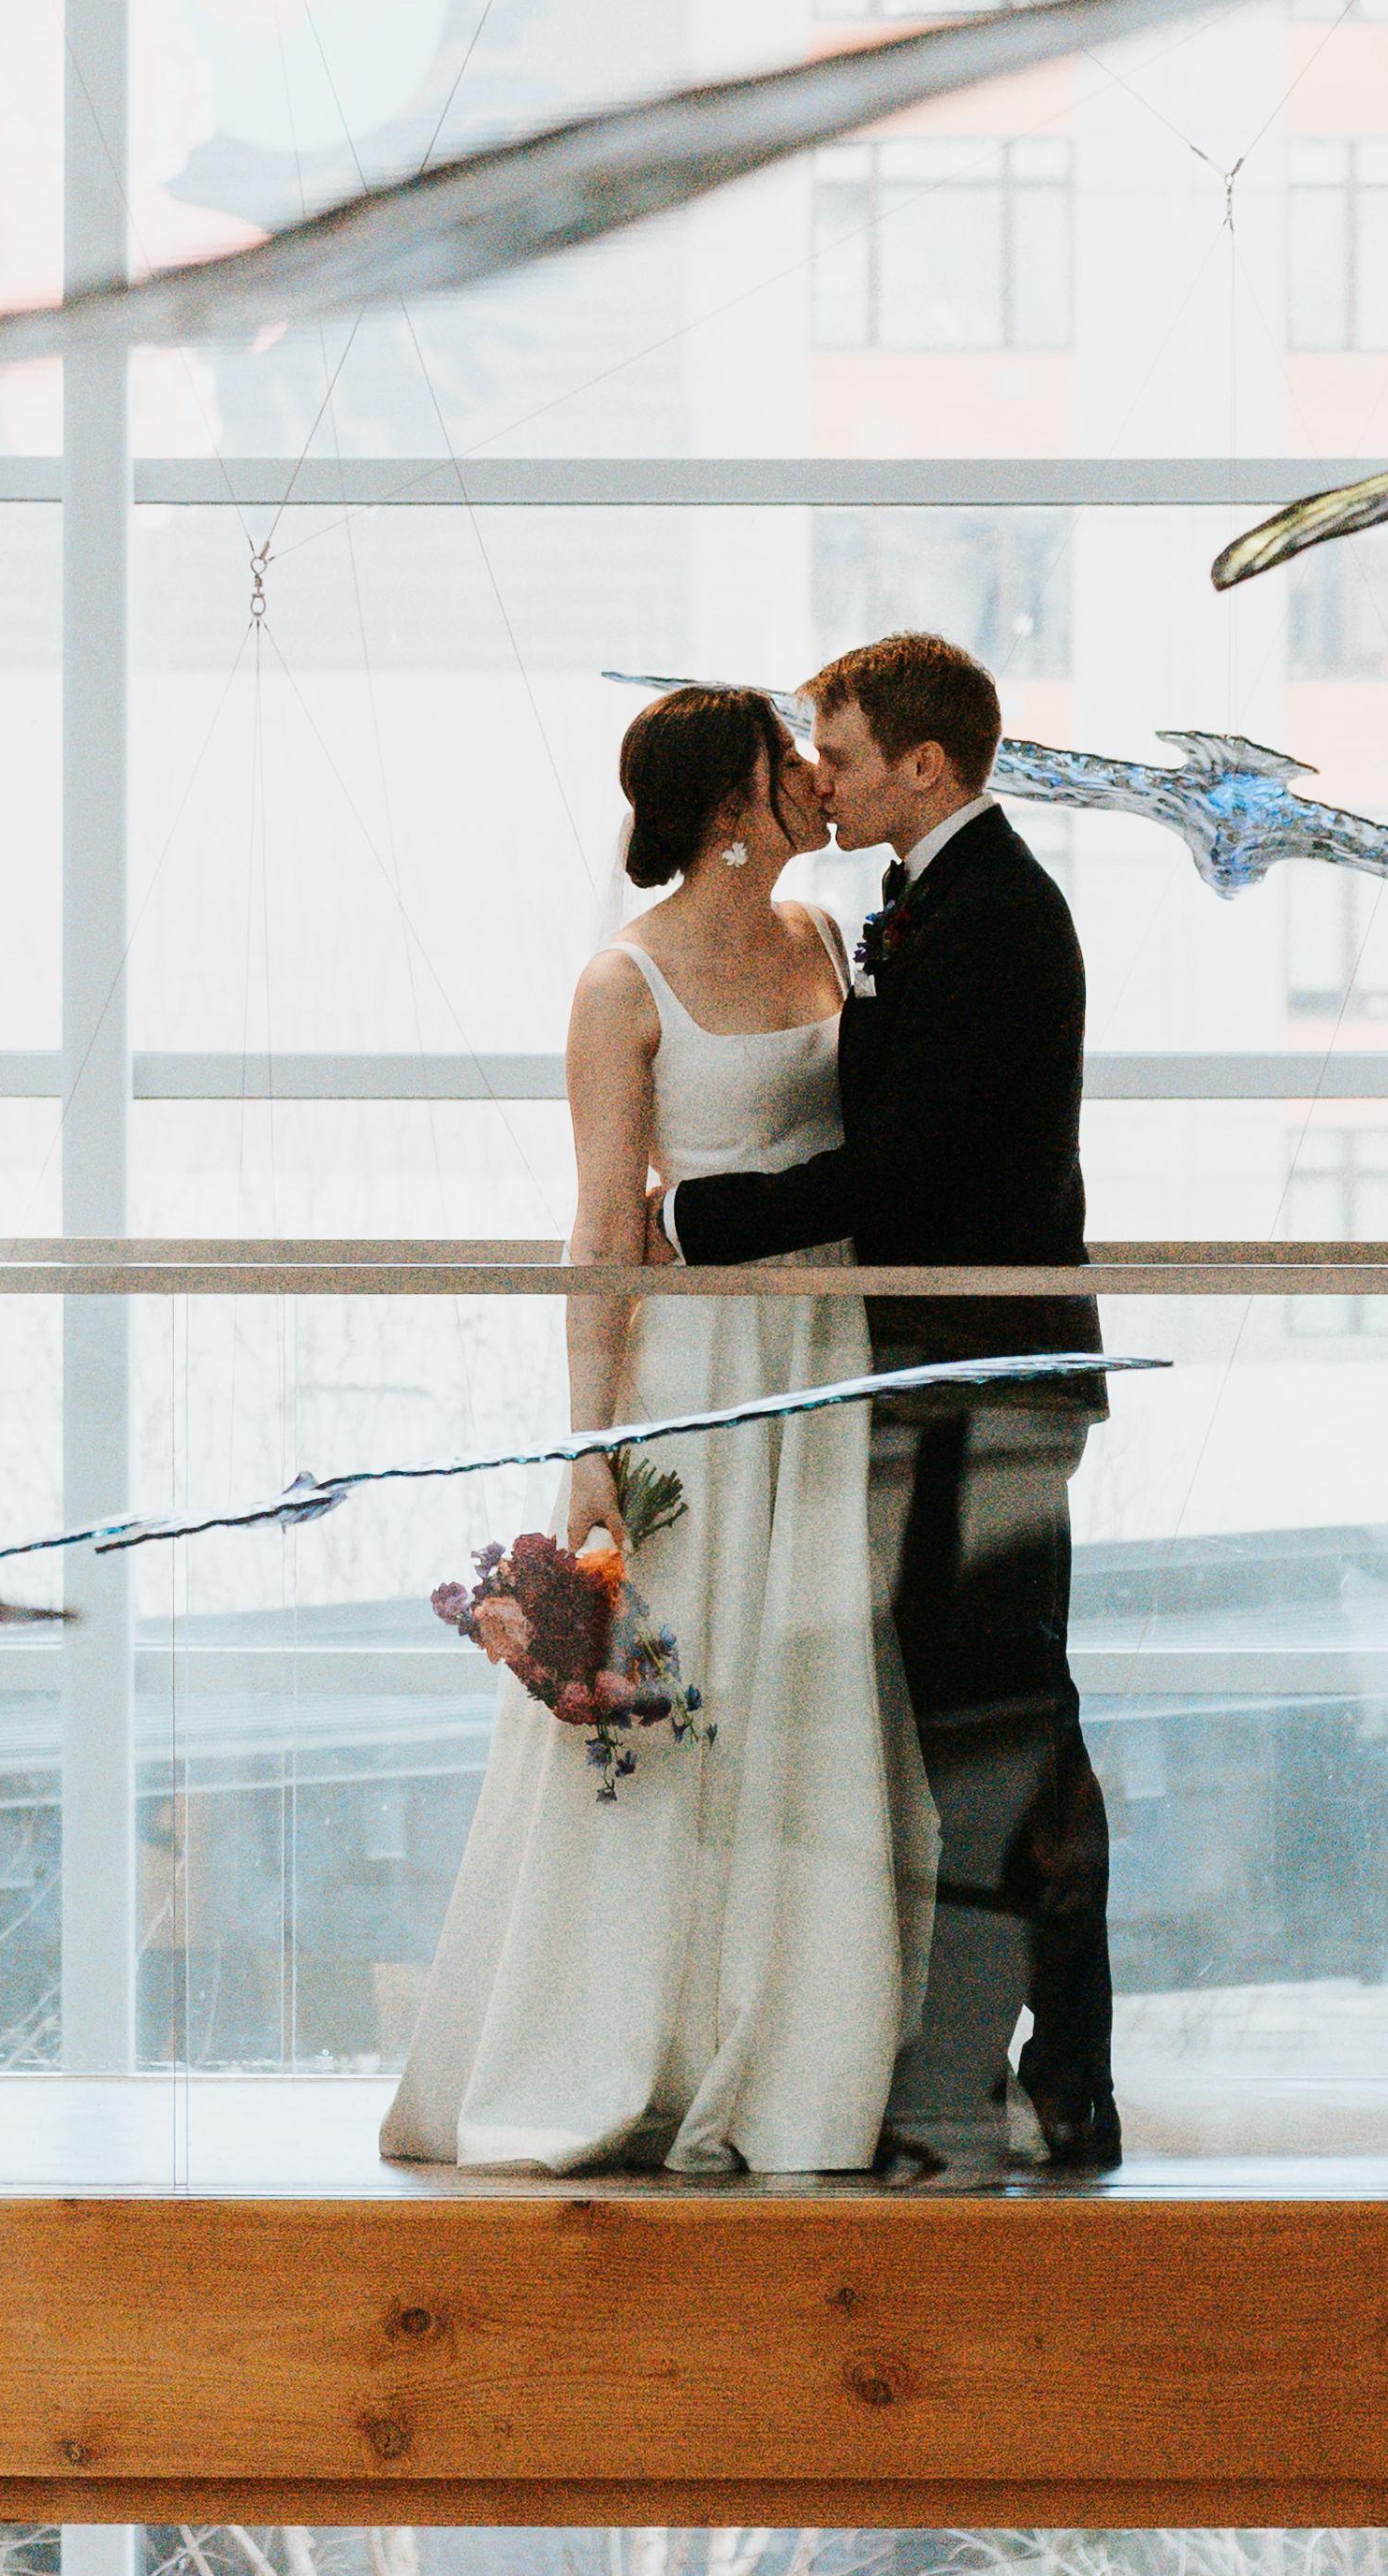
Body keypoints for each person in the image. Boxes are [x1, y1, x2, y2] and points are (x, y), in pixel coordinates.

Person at [380, 689, 929, 2176]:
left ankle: (797, 2051)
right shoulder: (620, 985)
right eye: (782, 760)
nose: (812, 774)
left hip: (823, 1342)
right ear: (726, 805)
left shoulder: (826, 937)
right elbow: (601, 1224)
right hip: (694, 1367)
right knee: (680, 1676)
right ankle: (621, 2043)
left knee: (809, 1669)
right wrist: (587, 1442)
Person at [668, 633, 1118, 2183]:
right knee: (982, 1732)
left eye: (845, 755)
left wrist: (703, 1220)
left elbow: (909, 1164)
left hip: (982, 1377)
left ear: (923, 766)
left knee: (999, 1740)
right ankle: (1009, 2076)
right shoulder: (938, 898)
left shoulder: (995, 913)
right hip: (946, 1370)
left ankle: (1024, 2086)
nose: (824, 779)